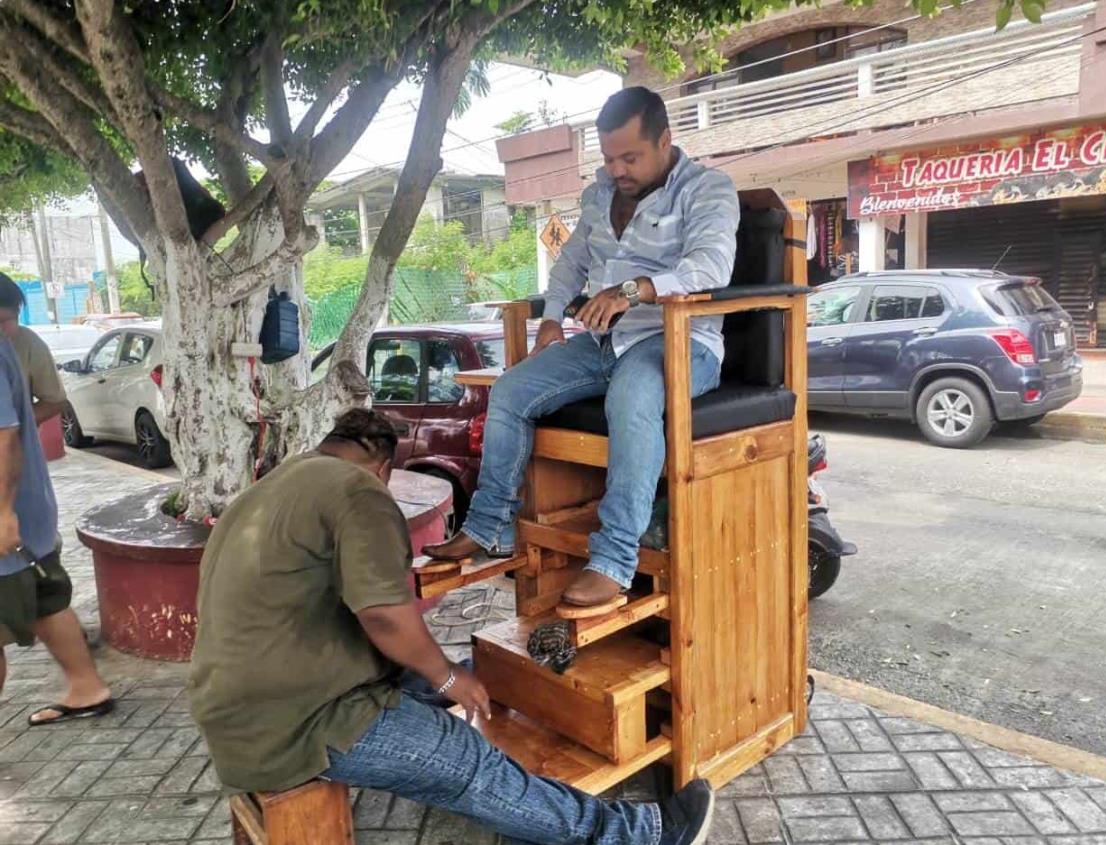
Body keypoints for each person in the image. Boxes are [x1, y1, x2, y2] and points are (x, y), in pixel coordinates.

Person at [188, 408, 715, 845]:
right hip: (301, 722)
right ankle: (636, 834)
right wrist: (448, 680)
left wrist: (448, 672)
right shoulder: (358, 493)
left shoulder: (276, 484)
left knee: (432, 670)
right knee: (473, 765)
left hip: (237, 706)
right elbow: (383, 616)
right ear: (382, 467)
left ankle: (503, 684)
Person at [425, 87, 740, 607]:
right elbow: (571, 263)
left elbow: (711, 266)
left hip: (680, 342)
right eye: (610, 157)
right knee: (510, 389)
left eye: (630, 157)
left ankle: (615, 561)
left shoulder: (706, 190)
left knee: (632, 395)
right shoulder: (599, 197)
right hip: (605, 341)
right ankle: (488, 530)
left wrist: (634, 290)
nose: (617, 169)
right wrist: (550, 321)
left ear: (665, 140)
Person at [0, 289, 113, 726]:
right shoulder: (7, 349)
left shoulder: (16, 345)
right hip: (26, 512)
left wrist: (4, 512)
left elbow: (5, 437)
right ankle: (87, 688)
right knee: (48, 598)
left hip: (11, 517)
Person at [0, 273, 69, 426]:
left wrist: (12, 424)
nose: (1, 330)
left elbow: (55, 402)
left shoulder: (29, 343)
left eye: (6, 320)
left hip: (14, 447)